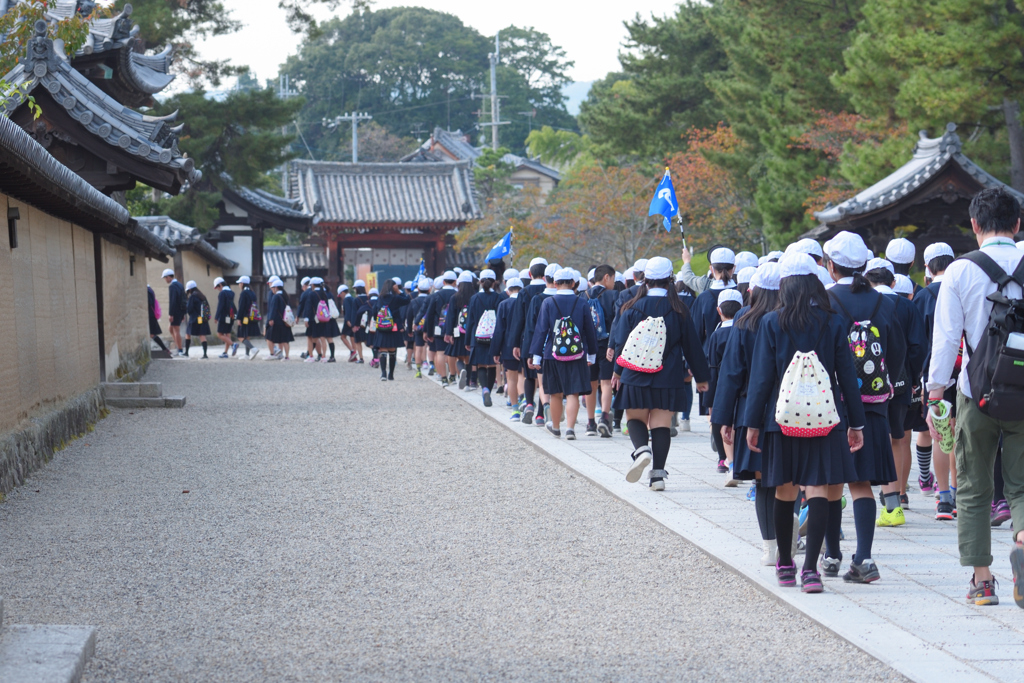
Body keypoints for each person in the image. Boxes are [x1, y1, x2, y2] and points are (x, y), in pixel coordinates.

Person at [744, 252, 866, 594]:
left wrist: (752, 422)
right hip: (825, 418)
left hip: (780, 420)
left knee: (784, 489)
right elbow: (846, 377)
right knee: (817, 490)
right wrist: (855, 423)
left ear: (784, 285)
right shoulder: (832, 322)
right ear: (814, 282)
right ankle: (810, 569)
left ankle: (785, 561)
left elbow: (761, 378)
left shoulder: (772, 322)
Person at [927, 187, 1024, 607]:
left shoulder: (960, 271)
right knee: (1022, 486)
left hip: (976, 393)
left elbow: (947, 340)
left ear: (974, 225)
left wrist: (935, 396)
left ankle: (982, 582)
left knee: (972, 486)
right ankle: (1022, 545)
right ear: (1018, 224)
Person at [825, 232, 905, 584]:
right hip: (872, 404)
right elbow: (898, 355)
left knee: (829, 483)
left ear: (831, 266)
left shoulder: (824, 301)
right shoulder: (884, 303)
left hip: (831, 403)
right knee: (862, 484)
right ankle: (865, 558)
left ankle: (829, 554)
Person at [611, 257, 710, 490]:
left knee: (635, 418)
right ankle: (657, 476)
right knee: (661, 425)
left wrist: (616, 371)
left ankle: (641, 449)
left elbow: (621, 344)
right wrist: (701, 377)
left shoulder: (631, 308)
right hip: (668, 375)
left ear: (645, 279)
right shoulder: (679, 309)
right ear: (670, 280)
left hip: (634, 374)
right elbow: (692, 347)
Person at [716, 262, 782, 565]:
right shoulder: (788, 319)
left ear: (752, 291)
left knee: (762, 483)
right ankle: (788, 536)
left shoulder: (744, 319)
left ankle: (770, 546)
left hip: (748, 409)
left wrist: (724, 418)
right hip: (788, 407)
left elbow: (731, 373)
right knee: (787, 479)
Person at [863, 258, 927, 510]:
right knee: (897, 436)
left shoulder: (864, 303)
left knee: (866, 434)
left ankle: (867, 490)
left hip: (865, 381)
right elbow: (918, 346)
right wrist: (913, 378)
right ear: (893, 282)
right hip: (900, 381)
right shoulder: (906, 306)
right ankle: (898, 494)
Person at [912, 242, 957, 519]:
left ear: (927, 268)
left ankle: (943, 498)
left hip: (933, 374)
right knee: (958, 433)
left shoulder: (924, 296)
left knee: (940, 434)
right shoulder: (960, 288)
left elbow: (917, 342)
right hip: (963, 369)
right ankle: (958, 489)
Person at [530, 267, 599, 439]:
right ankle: (570, 429)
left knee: (555, 393)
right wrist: (591, 354)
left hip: (552, 354)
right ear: (574, 283)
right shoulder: (582, 302)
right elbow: (590, 330)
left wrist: (536, 356)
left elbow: (541, 331)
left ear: (555, 283)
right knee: (573, 392)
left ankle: (555, 427)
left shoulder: (548, 302)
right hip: (577, 353)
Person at [706, 288, 745, 486]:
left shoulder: (716, 334)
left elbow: (712, 364)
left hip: (722, 383)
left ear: (718, 310)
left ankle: (726, 460)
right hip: (744, 384)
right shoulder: (746, 330)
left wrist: (709, 394)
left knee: (722, 421)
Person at [509, 258, 550, 424]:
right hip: (548, 340)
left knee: (529, 376)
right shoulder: (550, 290)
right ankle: (541, 413)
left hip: (528, 338)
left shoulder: (524, 292)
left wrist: (515, 343)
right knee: (543, 378)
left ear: (530, 273)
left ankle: (529, 404)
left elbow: (518, 320)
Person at [586, 265, 619, 437]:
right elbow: (617, 322)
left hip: (588, 348)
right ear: (606, 277)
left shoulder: (582, 296)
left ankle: (590, 422)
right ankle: (605, 418)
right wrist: (613, 345)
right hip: (607, 347)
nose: (613, 283)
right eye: (613, 279)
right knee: (606, 383)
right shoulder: (613, 295)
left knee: (590, 385)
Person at [464, 269, 501, 405]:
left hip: (477, 335)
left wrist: (467, 340)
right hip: (494, 335)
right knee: (492, 364)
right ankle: (489, 392)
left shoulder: (474, 299)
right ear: (494, 282)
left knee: (480, 365)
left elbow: (470, 321)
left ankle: (484, 389)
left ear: (480, 281)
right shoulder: (499, 297)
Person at [491, 277, 524, 419]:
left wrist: (495, 350)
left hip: (508, 346)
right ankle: (526, 400)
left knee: (511, 377)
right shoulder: (525, 302)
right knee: (525, 375)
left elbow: (499, 330)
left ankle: (515, 409)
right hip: (525, 345)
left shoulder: (504, 305)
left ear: (508, 290)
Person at [371, 279, 411, 381]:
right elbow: (407, 300)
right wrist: (399, 291)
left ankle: (383, 373)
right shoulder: (396, 298)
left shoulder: (380, 298)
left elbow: (374, 311)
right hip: (393, 327)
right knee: (392, 350)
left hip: (381, 327)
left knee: (383, 350)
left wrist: (378, 321)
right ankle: (391, 374)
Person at [424, 271, 459, 385]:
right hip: (454, 327)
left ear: (443, 282)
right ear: (455, 282)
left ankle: (443, 377)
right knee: (452, 353)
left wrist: (428, 332)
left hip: (438, 327)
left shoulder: (435, 295)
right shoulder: (458, 295)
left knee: (440, 352)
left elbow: (429, 315)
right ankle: (453, 376)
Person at [265, 277, 294, 360]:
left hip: (277, 321)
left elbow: (273, 309)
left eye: (273, 287)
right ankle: (287, 356)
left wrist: (271, 319)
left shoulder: (276, 297)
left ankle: (272, 353)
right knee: (285, 340)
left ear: (276, 287)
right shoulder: (286, 296)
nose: (272, 289)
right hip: (285, 321)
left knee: (269, 337)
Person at [235, 276, 261, 360]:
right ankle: (246, 354)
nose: (239, 285)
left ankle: (253, 348)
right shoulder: (252, 292)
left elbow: (241, 306)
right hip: (251, 316)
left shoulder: (243, 293)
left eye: (239, 283)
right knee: (246, 335)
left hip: (244, 317)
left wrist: (239, 318)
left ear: (242, 283)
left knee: (240, 336)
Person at [184, 280, 211, 359]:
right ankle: (205, 354)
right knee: (202, 335)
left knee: (187, 334)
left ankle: (186, 353)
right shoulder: (202, 296)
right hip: (203, 318)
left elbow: (189, 308)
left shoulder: (192, 296)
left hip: (194, 319)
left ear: (189, 289)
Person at [162, 268, 186, 356]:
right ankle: (178, 347)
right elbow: (183, 299)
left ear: (168, 277)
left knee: (176, 330)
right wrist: (183, 313)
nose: (165, 280)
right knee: (170, 329)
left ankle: (180, 350)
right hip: (180, 310)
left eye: (165, 278)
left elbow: (173, 301)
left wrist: (171, 314)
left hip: (175, 311)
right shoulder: (180, 285)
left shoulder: (172, 286)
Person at [213, 277, 235, 359]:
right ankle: (225, 352)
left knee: (219, 334)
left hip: (223, 316)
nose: (218, 289)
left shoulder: (222, 293)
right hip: (231, 315)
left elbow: (220, 306)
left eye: (217, 287)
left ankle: (233, 344)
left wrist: (216, 317)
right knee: (227, 333)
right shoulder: (231, 293)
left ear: (220, 285)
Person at [147, 284, 170, 354]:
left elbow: (149, 302)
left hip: (150, 315)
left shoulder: (147, 291)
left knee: (152, 334)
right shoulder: (150, 290)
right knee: (152, 334)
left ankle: (165, 349)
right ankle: (165, 349)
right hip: (152, 314)